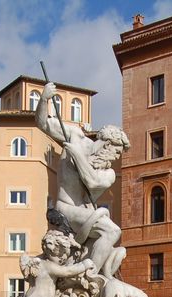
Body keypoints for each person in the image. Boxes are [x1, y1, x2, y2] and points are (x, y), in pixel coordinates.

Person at [35, 82, 130, 277]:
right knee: (112, 231)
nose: (116, 157)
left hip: (85, 214)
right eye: (116, 150)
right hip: (66, 208)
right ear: (107, 143)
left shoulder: (108, 173)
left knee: (111, 232)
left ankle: (91, 276)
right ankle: (88, 277)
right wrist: (44, 99)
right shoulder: (75, 136)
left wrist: (77, 156)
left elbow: (92, 182)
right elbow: (43, 123)